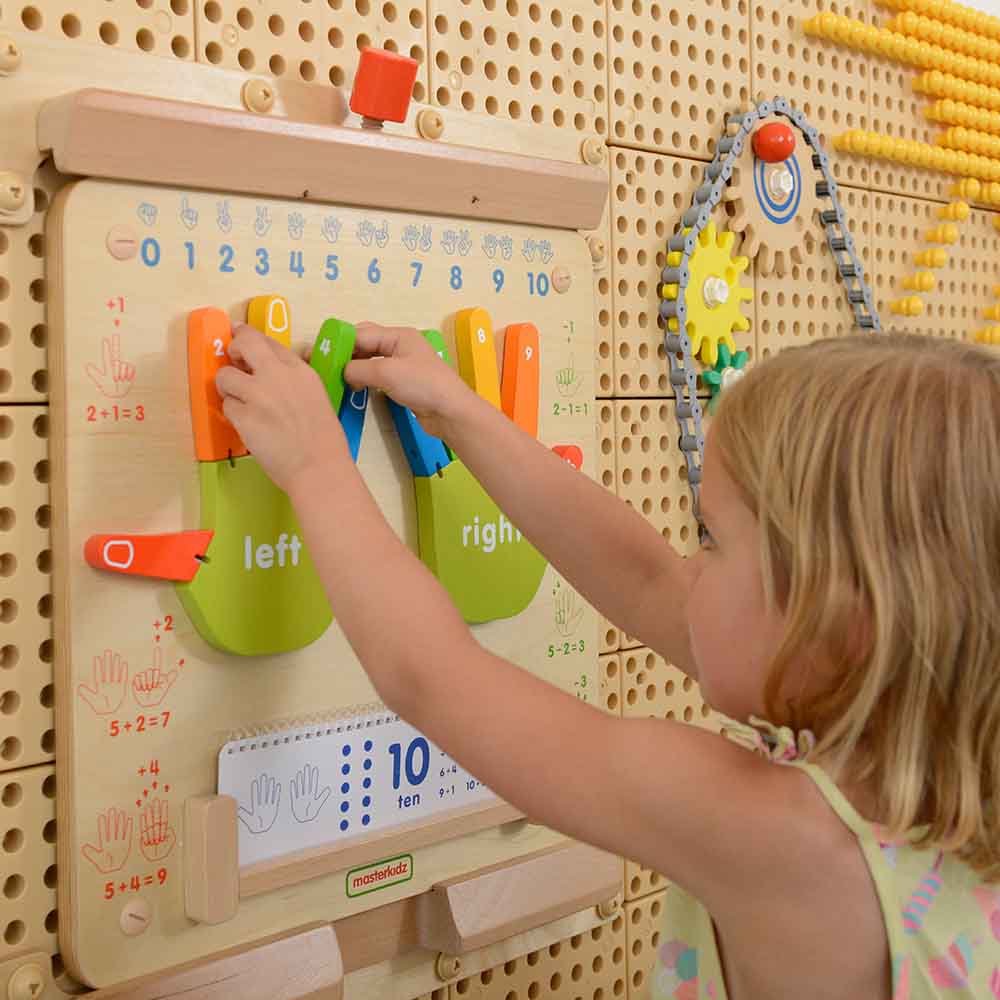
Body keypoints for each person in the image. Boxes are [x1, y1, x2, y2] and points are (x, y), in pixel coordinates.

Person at [216, 325, 1000, 999]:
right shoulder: (910, 781)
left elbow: (437, 680)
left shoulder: (785, 841)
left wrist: (317, 463)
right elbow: (644, 579)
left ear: (842, 617)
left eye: (714, 541)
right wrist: (459, 415)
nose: (688, 567)